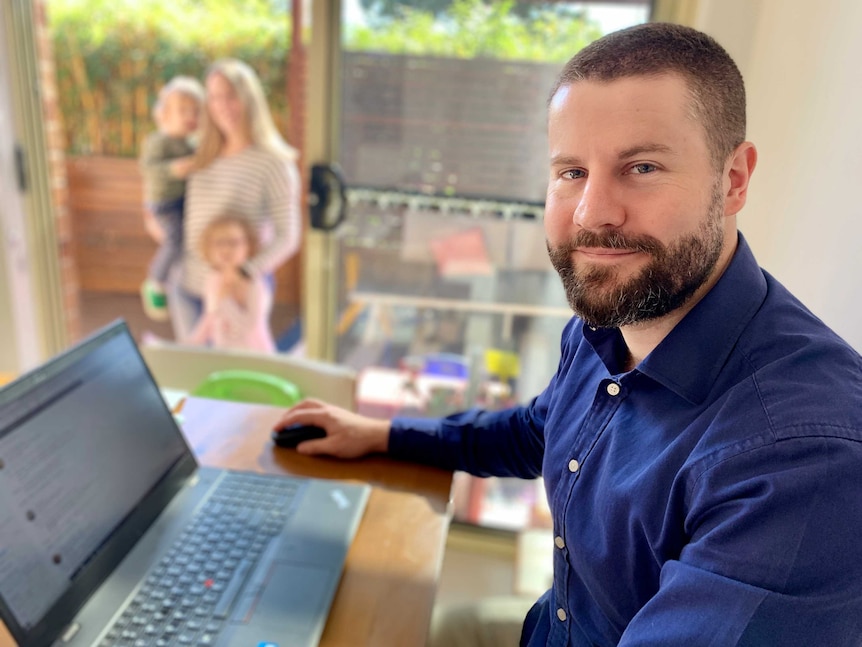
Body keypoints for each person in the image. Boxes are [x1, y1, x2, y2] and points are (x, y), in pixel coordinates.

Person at [274, 22, 862, 646]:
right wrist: (384, 435)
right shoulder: (612, 321)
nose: (592, 214)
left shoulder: (805, 461)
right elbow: (542, 428)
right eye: (572, 172)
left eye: (641, 167)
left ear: (734, 180)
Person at [169, 58, 301, 346]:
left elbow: (288, 236)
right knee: (190, 381)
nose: (222, 105)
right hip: (187, 286)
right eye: (214, 97)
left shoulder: (273, 163)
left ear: (249, 99)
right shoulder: (203, 156)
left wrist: (243, 274)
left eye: (231, 96)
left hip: (234, 296)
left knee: (227, 384)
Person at [138, 75, 204, 321]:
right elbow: (148, 169)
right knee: (175, 239)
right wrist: (173, 169)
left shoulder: (191, 143)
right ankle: (156, 280)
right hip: (164, 203)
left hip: (183, 201)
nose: (190, 117)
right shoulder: (159, 141)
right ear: (164, 114)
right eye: (183, 111)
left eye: (196, 112)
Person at [184, 213, 276, 352]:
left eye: (233, 243)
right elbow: (210, 317)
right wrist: (191, 344)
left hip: (254, 355)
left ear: (248, 246)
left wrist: (227, 300)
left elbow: (252, 326)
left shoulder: (253, 282)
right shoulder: (213, 279)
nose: (226, 249)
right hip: (224, 352)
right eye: (219, 243)